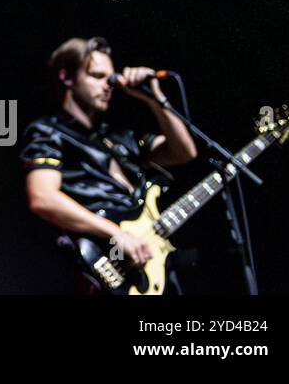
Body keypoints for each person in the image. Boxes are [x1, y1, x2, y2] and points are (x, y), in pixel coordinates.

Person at [20, 36, 197, 292]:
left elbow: (184, 152)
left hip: (145, 261)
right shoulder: (49, 132)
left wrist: (155, 99)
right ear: (67, 77)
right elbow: (42, 197)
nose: (108, 85)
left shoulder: (119, 137)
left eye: (111, 78)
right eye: (97, 76)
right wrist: (116, 234)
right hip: (98, 259)